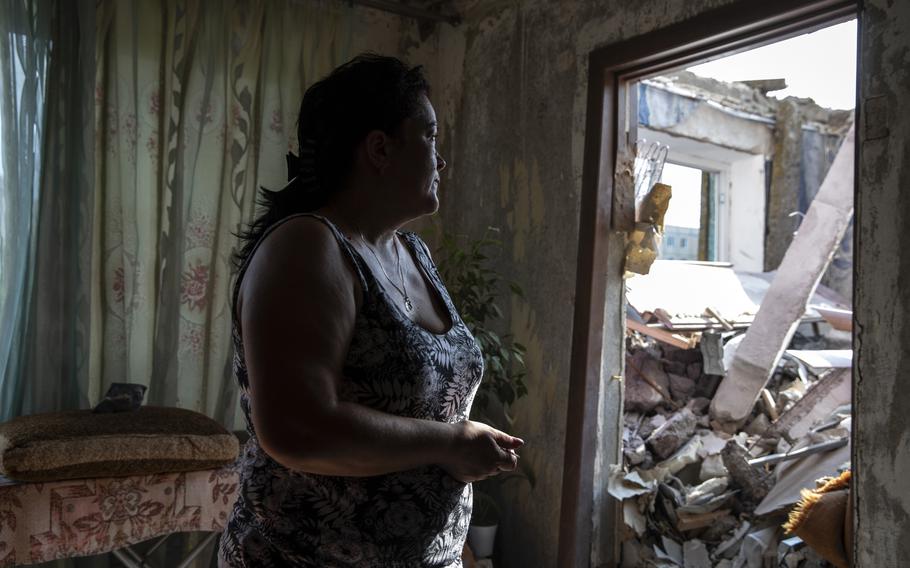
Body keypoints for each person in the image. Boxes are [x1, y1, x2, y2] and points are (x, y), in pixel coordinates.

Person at [218, 54, 524, 567]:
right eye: (428, 137)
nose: (440, 160)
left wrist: (463, 443)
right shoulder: (307, 247)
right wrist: (451, 444)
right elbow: (297, 427)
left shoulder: (412, 252)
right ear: (380, 148)